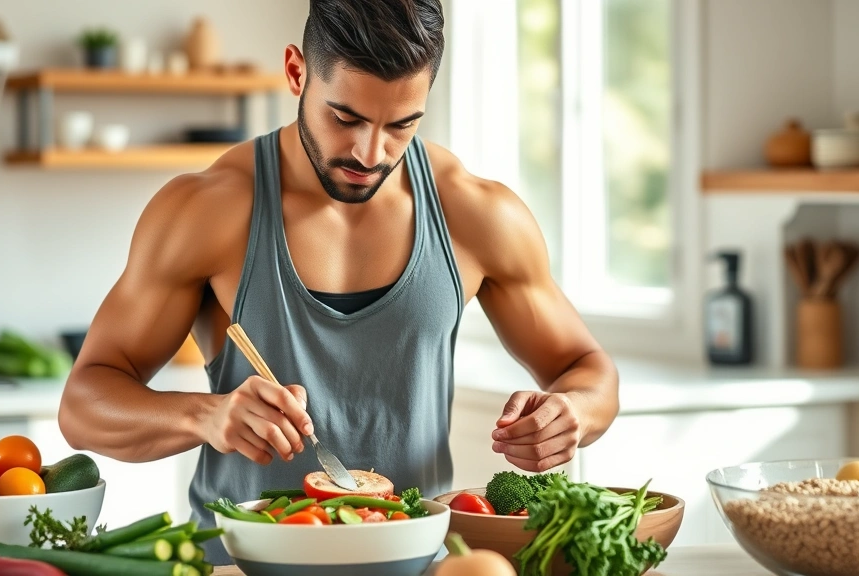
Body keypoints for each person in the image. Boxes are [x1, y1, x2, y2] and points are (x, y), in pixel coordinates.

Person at [57, 0, 619, 565]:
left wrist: (569, 413)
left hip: (415, 564)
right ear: (297, 72)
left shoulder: (476, 213)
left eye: (401, 125)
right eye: (346, 117)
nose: (370, 154)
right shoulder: (206, 210)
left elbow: (590, 371)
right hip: (242, 566)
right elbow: (82, 407)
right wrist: (206, 415)